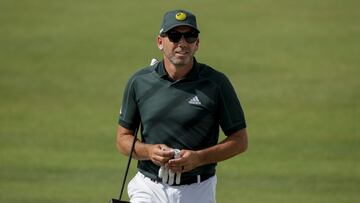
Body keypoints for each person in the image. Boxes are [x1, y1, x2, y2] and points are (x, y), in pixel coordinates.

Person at [116, 9, 248, 203]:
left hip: (198, 189)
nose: (182, 43)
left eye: (190, 36)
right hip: (149, 186)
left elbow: (240, 141)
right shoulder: (139, 82)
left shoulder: (216, 83)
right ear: (160, 42)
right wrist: (149, 152)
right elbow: (122, 139)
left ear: (197, 44)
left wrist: (198, 158)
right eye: (175, 36)